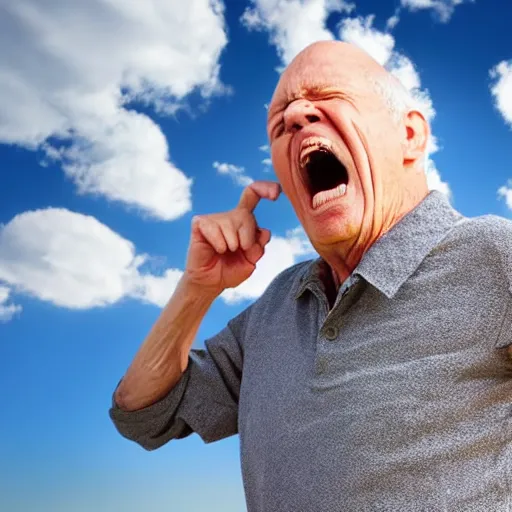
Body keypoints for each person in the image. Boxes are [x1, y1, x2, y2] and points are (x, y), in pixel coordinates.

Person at [110, 41, 512, 511]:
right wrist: (198, 288)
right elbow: (143, 415)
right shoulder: (279, 305)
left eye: (328, 98)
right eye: (279, 121)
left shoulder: (493, 255)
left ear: (410, 136)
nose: (297, 115)